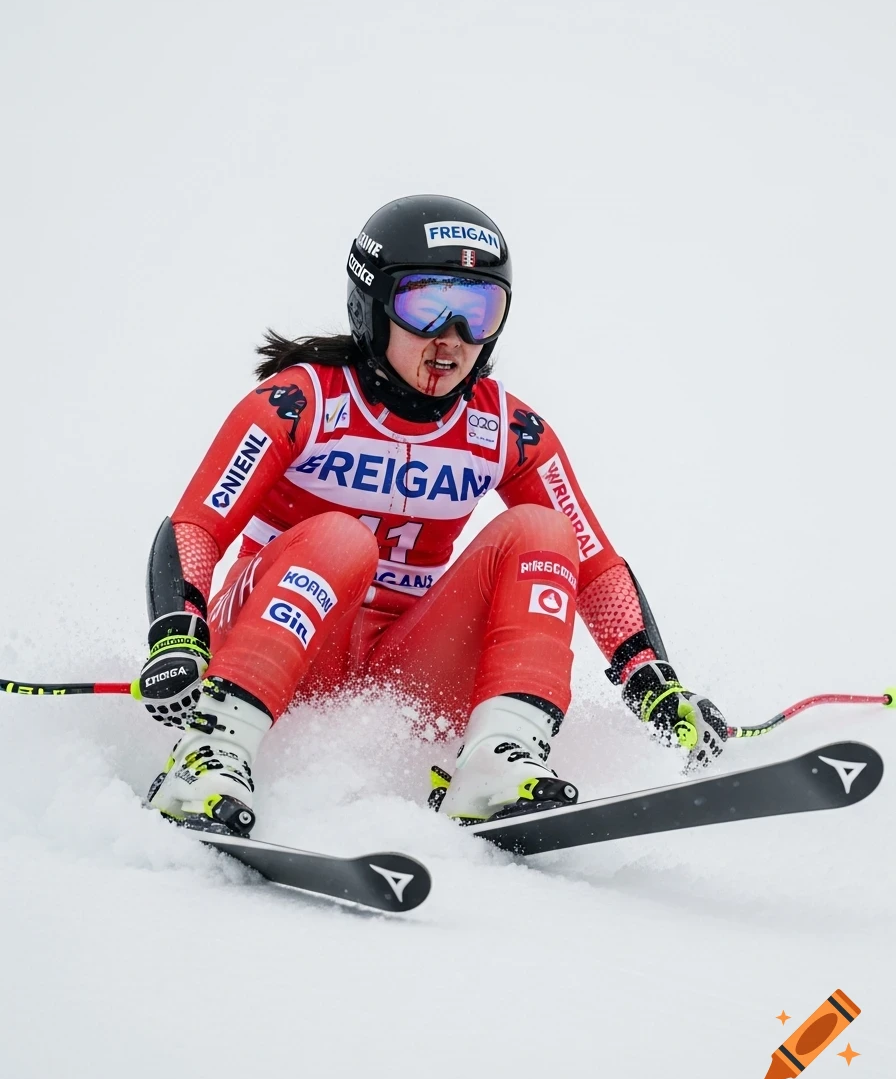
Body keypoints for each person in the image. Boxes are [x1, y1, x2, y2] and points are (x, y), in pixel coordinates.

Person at [136, 194, 728, 835]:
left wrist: (652, 680)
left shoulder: (508, 429)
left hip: (403, 678)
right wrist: (176, 632)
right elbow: (196, 526)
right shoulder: (296, 402)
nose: (452, 336)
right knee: (342, 539)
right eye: (426, 307)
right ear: (372, 305)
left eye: (478, 310)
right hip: (268, 647)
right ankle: (208, 757)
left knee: (544, 532)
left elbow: (595, 565)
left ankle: (497, 763)